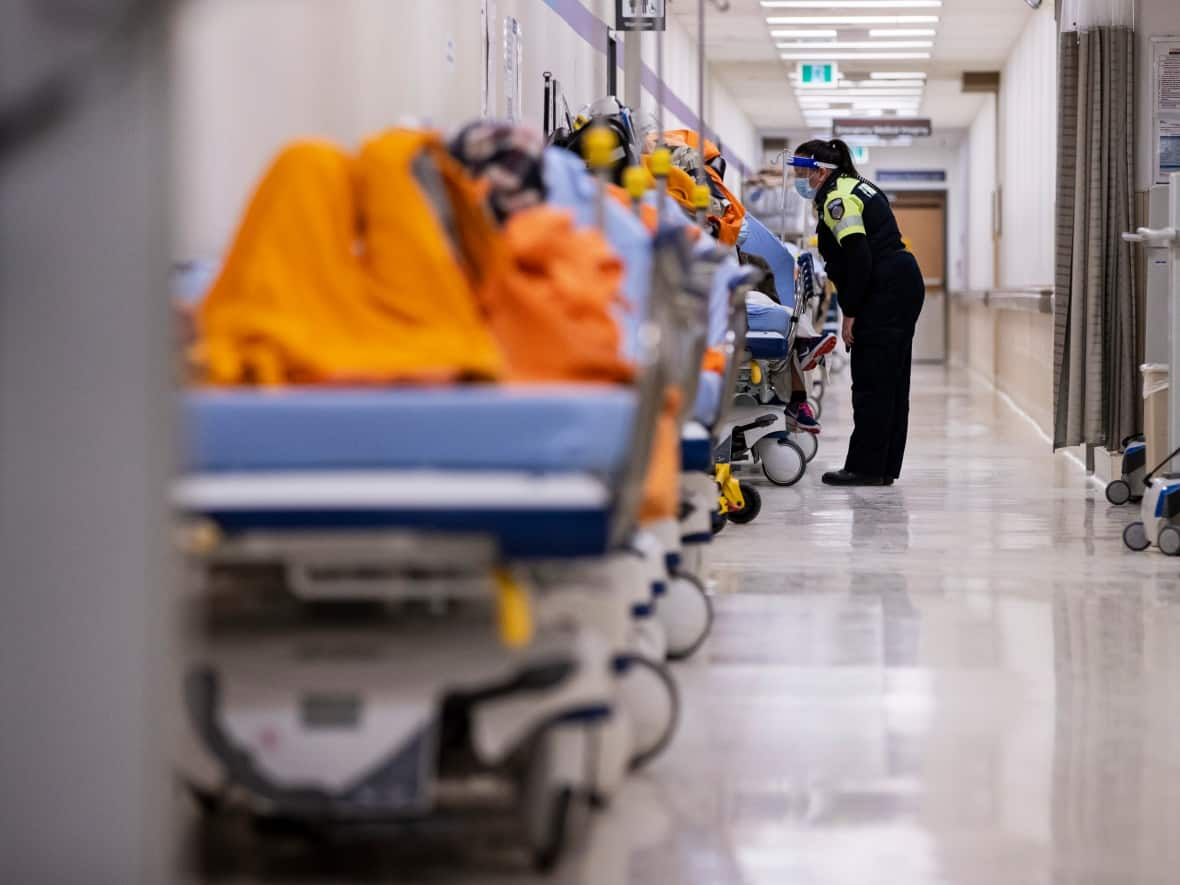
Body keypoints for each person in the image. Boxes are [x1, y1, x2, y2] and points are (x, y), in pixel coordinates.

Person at [788, 139, 925, 486]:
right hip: (898, 282)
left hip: (885, 287)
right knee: (891, 383)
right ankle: (882, 468)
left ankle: (865, 468)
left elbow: (858, 257)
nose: (798, 180)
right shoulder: (853, 185)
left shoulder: (837, 198)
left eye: (801, 173)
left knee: (872, 381)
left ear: (820, 172)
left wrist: (851, 311)